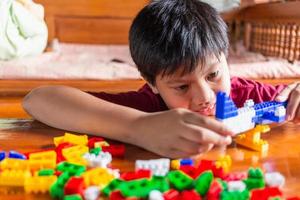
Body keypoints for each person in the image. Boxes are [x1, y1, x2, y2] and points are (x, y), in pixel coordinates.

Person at [22, 0, 299, 158]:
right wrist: (139, 127)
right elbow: (37, 99)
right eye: (181, 86)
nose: (204, 97)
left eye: (213, 75)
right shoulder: (149, 104)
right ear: (152, 82)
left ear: (227, 59)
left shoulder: (249, 96)